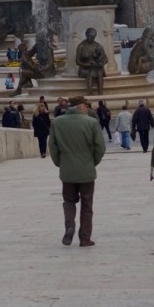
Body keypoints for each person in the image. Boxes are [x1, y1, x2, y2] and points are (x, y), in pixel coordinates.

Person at [48, 95, 105, 247]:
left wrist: (60, 163)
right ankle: (85, 238)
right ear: (80, 107)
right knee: (87, 205)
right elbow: (100, 147)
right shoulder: (91, 122)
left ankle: (70, 227)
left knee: (68, 202)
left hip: (67, 171)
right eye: (86, 105)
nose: (87, 108)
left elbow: (52, 146)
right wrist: (93, 162)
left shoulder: (57, 123)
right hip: (86, 170)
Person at [75, 27, 108, 95]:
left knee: (99, 71)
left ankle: (101, 92)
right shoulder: (81, 46)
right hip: (85, 69)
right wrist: (87, 64)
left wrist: (101, 63)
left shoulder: (98, 46)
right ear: (87, 35)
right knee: (91, 72)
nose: (92, 38)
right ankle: (90, 92)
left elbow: (105, 59)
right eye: (91, 37)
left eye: (94, 37)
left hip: (96, 67)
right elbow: (77, 62)